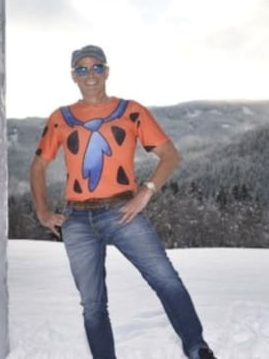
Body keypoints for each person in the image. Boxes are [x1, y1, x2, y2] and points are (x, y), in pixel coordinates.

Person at [29, 45, 216, 359]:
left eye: (97, 67)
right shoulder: (60, 118)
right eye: (82, 69)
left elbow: (170, 155)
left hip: (122, 211)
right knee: (92, 305)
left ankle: (197, 349)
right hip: (77, 221)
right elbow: (38, 166)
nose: (91, 75)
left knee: (165, 279)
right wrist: (43, 211)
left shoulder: (132, 111)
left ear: (107, 71)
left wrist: (147, 190)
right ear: (73, 76)